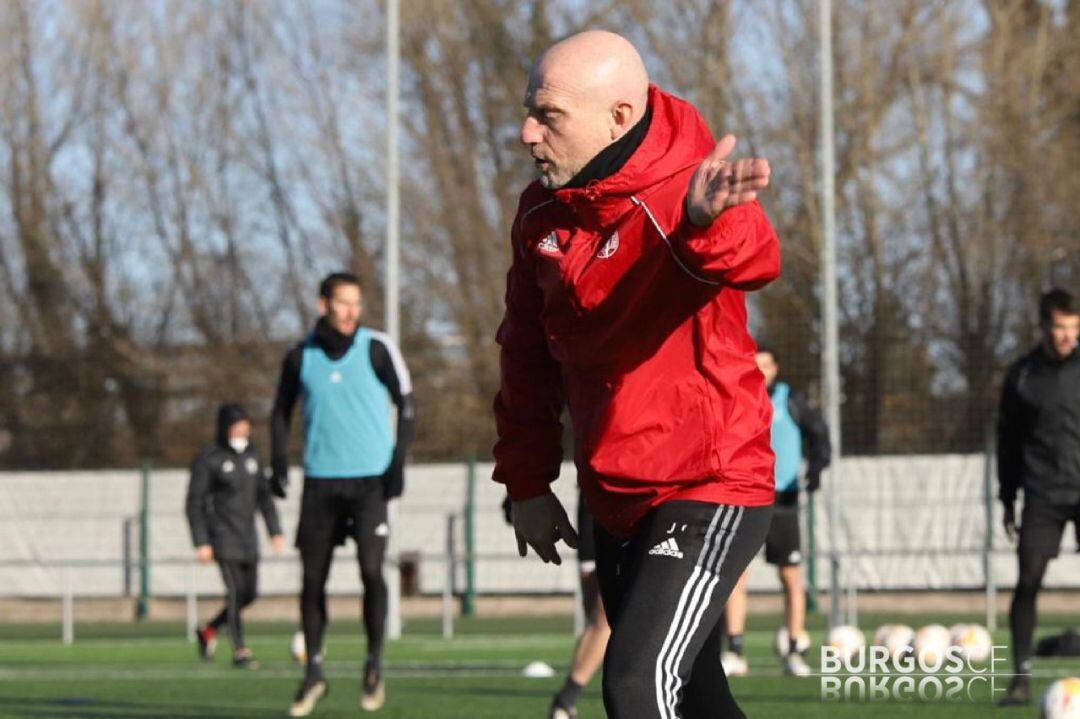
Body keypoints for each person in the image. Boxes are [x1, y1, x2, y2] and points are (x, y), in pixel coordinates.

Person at [493, 30, 780, 719]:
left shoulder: (690, 186)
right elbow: (525, 355)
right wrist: (528, 482)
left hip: (710, 481)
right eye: (531, 110)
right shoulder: (540, 214)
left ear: (619, 116)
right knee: (699, 698)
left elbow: (755, 257)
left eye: (550, 115)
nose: (528, 132)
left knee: (635, 682)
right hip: (615, 493)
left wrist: (710, 222)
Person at [270, 272, 416, 716]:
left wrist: (397, 463)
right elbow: (279, 412)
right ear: (323, 305)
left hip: (371, 481)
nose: (352, 311)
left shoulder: (376, 348)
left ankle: (373, 665)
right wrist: (277, 461)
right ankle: (313, 671)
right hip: (320, 483)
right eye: (343, 303)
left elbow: (407, 404)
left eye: (357, 302)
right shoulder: (299, 356)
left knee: (373, 572)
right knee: (312, 580)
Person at [721, 347, 830, 678]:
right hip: (744, 497)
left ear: (776, 368)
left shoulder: (790, 401)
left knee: (790, 577)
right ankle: (735, 651)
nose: (761, 370)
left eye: (766, 364)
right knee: (736, 576)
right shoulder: (736, 398)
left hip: (783, 501)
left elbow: (819, 435)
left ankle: (794, 649)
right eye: (754, 364)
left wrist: (816, 468)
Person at [997, 288, 1080, 706]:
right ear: (1045, 327)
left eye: (1074, 327)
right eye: (1061, 327)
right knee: (1029, 579)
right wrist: (1006, 496)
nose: (1068, 336)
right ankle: (1020, 679)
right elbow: (1008, 441)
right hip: (1043, 492)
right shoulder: (1023, 375)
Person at [186, 402, 284, 669]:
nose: (244, 429)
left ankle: (208, 630)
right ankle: (240, 650)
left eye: (246, 424)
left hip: (247, 538)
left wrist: (275, 531)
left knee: (249, 593)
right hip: (222, 537)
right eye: (238, 424)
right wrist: (202, 541)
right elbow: (195, 502)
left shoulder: (253, 455)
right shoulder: (210, 458)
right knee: (234, 592)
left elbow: (264, 496)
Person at [503, 494, 611, 719]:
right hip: (596, 506)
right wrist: (520, 489)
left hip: (653, 508)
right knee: (597, 616)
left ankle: (566, 699)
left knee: (605, 615)